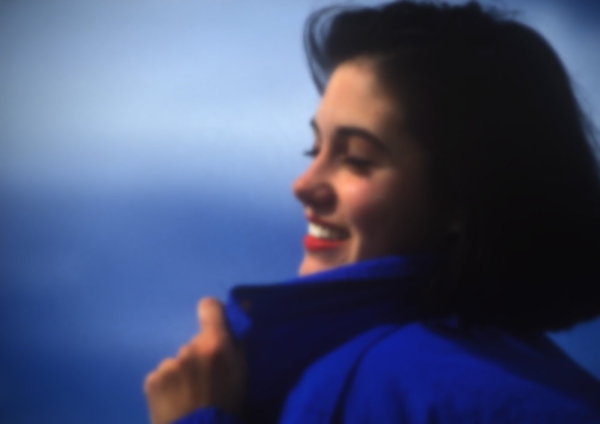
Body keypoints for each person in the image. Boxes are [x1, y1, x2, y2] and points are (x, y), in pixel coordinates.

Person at [143, 1, 600, 423]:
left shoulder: (407, 385)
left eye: (357, 159)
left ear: (462, 198)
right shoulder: (508, 380)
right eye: (314, 148)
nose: (302, 185)